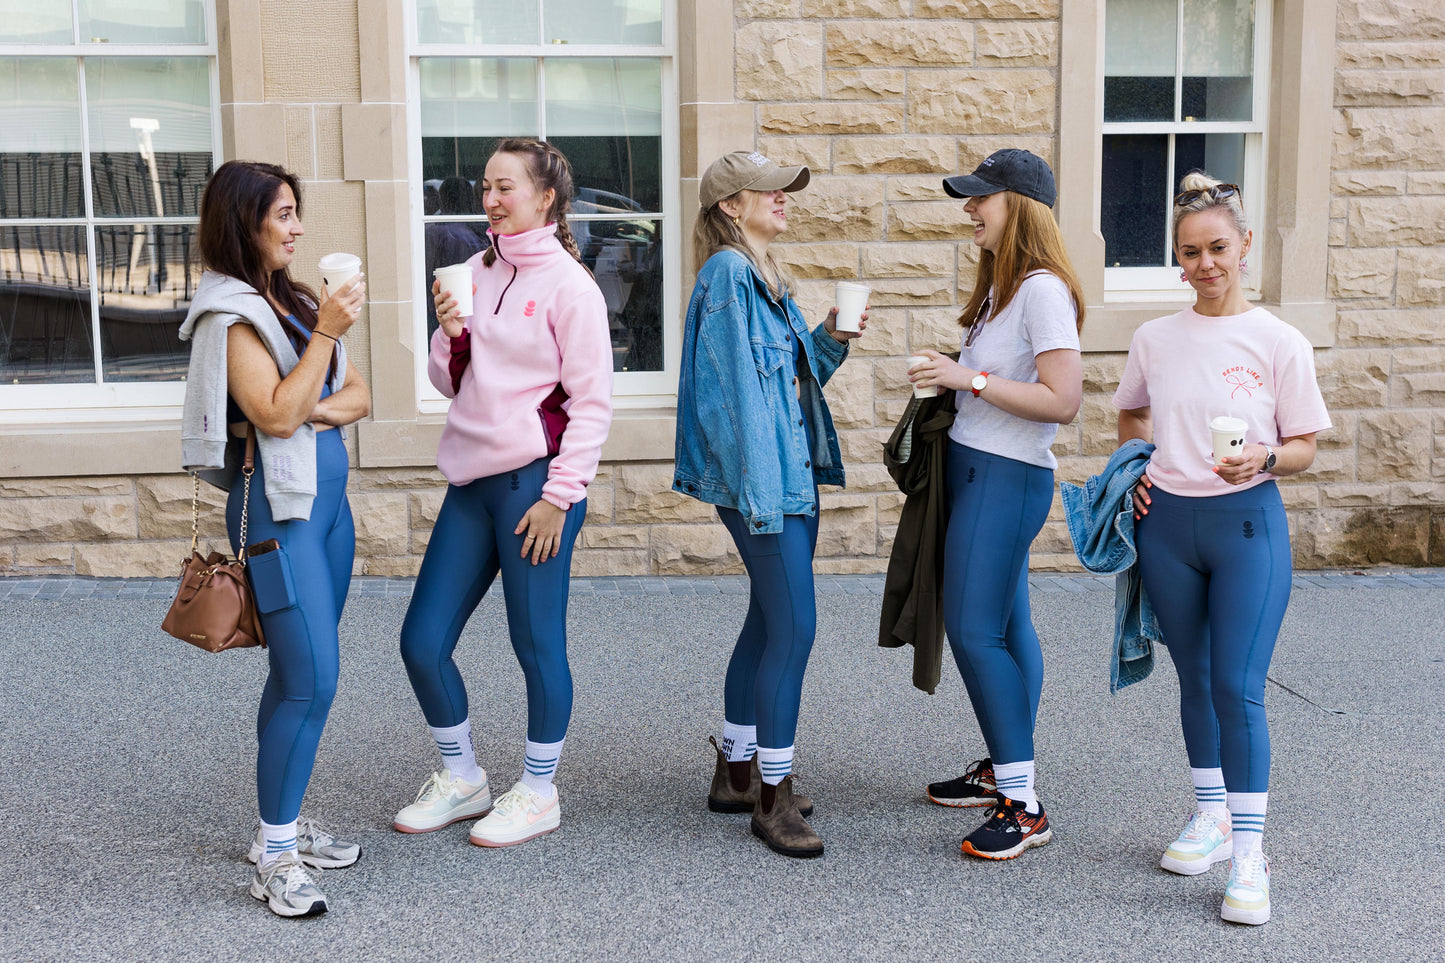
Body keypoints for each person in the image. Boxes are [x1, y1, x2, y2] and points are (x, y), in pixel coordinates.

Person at [1114, 171, 1330, 925]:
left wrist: (1263, 458)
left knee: (1237, 686)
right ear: (1176, 259)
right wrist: (1136, 467)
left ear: (1241, 246)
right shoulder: (1153, 338)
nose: (1203, 263)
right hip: (1167, 528)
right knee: (1194, 680)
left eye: (1216, 248)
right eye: (1188, 252)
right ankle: (1209, 814)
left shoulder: (1277, 340)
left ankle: (1248, 852)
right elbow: (1131, 415)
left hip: (1246, 528)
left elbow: (1304, 444)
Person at [394, 138, 613, 848]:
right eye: (485, 186)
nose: (490, 198)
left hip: (535, 487)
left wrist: (561, 495)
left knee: (535, 642)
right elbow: (448, 381)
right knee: (421, 641)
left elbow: (592, 404)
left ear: (546, 197)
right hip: (471, 480)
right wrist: (451, 333)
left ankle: (539, 790)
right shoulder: (475, 272)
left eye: (506, 187)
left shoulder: (571, 287)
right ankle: (462, 777)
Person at [179, 161, 371, 917]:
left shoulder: (289, 302)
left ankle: (277, 830)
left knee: (298, 672)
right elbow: (279, 412)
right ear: (244, 220)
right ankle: (277, 856)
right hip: (278, 517)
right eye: (283, 214)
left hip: (328, 510)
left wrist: (305, 392)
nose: (296, 228)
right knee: (311, 679)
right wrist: (321, 344)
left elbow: (351, 396)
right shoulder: (229, 316)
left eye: (297, 213)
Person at [673, 150, 865, 859]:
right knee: (794, 628)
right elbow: (727, 402)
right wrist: (762, 500)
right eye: (771, 190)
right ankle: (773, 797)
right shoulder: (727, 276)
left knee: (766, 619)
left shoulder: (763, 276)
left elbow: (787, 379)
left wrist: (832, 338)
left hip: (789, 474)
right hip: (768, 485)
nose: (784, 198)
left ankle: (735, 770)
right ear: (731, 205)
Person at [907, 149, 1084, 860]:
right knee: (1007, 627)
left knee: (974, 629)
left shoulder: (1041, 290)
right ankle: (1004, 766)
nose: (969, 210)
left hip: (1007, 477)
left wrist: (966, 377)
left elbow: (1061, 401)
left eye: (982, 198)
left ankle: (1023, 801)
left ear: (1021, 207)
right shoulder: (1001, 290)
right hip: (982, 470)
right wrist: (956, 381)